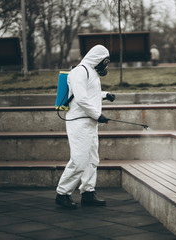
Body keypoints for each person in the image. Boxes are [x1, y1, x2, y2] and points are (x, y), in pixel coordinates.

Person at [55, 45, 115, 209]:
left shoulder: (92, 72)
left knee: (91, 159)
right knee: (79, 160)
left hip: (89, 122)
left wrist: (105, 95)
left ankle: (88, 193)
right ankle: (62, 194)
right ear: (97, 58)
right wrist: (98, 115)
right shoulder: (80, 71)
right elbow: (81, 98)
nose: (105, 65)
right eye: (104, 61)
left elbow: (89, 93)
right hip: (79, 122)